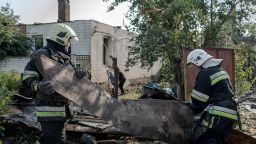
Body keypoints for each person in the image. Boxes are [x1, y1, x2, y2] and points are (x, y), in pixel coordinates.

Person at [22, 23, 87, 144]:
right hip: (49, 110)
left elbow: (67, 81)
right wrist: (38, 86)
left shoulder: (64, 57)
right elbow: (27, 76)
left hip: (62, 109)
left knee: (47, 139)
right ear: (61, 38)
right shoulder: (42, 54)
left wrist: (79, 74)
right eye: (69, 40)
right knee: (58, 140)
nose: (70, 44)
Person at [186, 49, 237, 144]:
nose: (197, 68)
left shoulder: (205, 73)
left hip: (218, 113)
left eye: (196, 66)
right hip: (230, 113)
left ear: (198, 61)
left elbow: (197, 99)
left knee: (205, 139)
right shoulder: (221, 71)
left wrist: (190, 108)